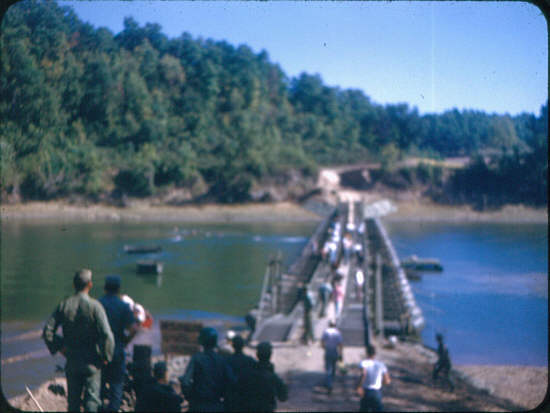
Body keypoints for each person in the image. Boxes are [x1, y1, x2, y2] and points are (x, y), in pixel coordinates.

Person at [42, 269, 115, 412]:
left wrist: (61, 348)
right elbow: (107, 335)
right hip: (92, 362)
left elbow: (47, 332)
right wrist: (106, 357)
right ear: (90, 284)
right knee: (92, 402)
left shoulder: (64, 305)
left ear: (74, 284)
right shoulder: (95, 307)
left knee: (73, 403)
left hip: (72, 360)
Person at [99, 275, 139, 411]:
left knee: (98, 385)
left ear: (105, 288)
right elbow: (134, 329)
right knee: (116, 387)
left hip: (100, 351)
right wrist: (125, 342)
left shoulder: (97, 304)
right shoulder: (123, 306)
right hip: (117, 350)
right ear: (118, 289)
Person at [179, 327, 236, 412]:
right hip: (216, 404)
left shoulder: (196, 358)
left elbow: (185, 382)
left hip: (198, 405)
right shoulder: (221, 360)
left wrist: (190, 397)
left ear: (202, 341)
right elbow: (232, 381)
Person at [243, 341, 288, 412]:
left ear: (257, 355)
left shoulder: (248, 374)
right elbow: (283, 398)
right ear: (270, 355)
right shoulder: (273, 377)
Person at [224, 335, 256, 412]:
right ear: (243, 346)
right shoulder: (250, 361)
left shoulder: (227, 361)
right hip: (246, 398)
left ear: (233, 345)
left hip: (231, 398)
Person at [357, 345, 390, 412]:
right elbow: (387, 381)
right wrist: (380, 383)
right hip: (376, 392)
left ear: (367, 353)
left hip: (366, 391)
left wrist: (359, 386)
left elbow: (363, 374)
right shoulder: (381, 365)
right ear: (375, 354)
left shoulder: (363, 363)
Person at [321, 321, 343, 394]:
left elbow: (322, 342)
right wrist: (341, 354)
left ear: (329, 324)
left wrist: (324, 347)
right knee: (333, 368)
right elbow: (340, 344)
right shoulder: (337, 333)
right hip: (335, 351)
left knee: (328, 368)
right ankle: (331, 381)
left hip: (328, 351)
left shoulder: (326, 332)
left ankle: (329, 383)